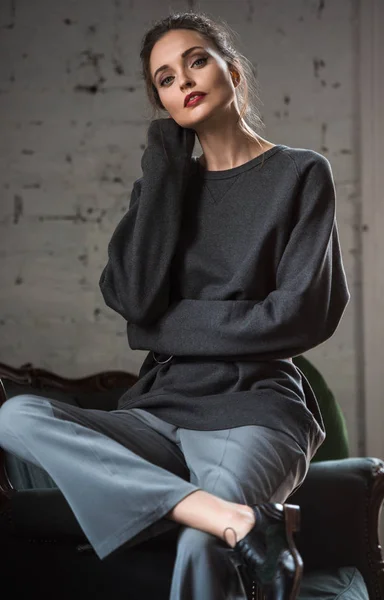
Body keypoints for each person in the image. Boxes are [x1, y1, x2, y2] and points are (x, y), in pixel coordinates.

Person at [0, 10, 350, 600]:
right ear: (161, 102)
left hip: (253, 407)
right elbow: (133, 298)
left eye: (195, 61)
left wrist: (166, 326)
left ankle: (219, 525)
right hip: (159, 411)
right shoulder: (163, 185)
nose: (182, 81)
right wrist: (165, 159)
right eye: (164, 79)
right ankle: (232, 517)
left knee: (202, 545)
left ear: (232, 73)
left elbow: (296, 316)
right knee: (17, 417)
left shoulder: (301, 174)